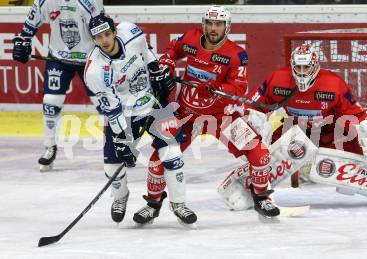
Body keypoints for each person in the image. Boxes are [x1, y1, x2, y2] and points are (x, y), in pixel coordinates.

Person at [218, 44, 367, 209]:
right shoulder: (278, 80)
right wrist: (255, 123)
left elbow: (354, 114)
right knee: (262, 153)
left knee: (353, 163)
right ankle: (254, 185)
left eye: (305, 66)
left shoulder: (333, 84)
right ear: (291, 66)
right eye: (297, 67)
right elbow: (253, 104)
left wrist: (366, 128)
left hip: (330, 131)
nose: (301, 71)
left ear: (315, 66)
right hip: (293, 128)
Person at [142, 5, 280, 222]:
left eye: (218, 24)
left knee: (260, 154)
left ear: (227, 27)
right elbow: (172, 50)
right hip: (186, 113)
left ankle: (261, 197)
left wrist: (218, 90)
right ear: (203, 24)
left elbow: (238, 88)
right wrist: (167, 62)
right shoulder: (191, 37)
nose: (213, 28)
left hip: (221, 117)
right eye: (209, 23)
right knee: (158, 158)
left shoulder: (236, 54)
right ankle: (153, 203)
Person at [84, 14, 194, 225]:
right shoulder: (95, 70)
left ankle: (179, 203)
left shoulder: (130, 32)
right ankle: (120, 196)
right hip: (125, 115)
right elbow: (113, 110)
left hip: (153, 102)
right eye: (98, 38)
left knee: (171, 151)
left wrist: (155, 69)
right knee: (111, 166)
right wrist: (122, 139)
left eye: (107, 34)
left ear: (115, 31)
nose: (104, 41)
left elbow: (147, 51)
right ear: (94, 40)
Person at [12, 0, 104, 172]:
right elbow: (30, 23)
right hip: (58, 58)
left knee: (103, 102)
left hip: (90, 58)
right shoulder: (46, 1)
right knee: (51, 100)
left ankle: (119, 145)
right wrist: (22, 42)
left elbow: (102, 29)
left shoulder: (90, 1)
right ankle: (49, 147)